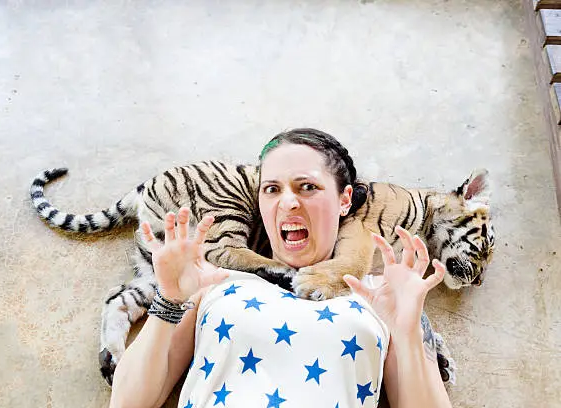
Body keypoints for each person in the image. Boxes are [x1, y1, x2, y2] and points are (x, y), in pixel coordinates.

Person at [109, 129, 452, 408]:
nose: (288, 202)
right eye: (272, 189)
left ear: (345, 200)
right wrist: (168, 300)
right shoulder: (213, 280)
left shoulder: (383, 295)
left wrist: (407, 336)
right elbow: (127, 403)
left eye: (308, 187)